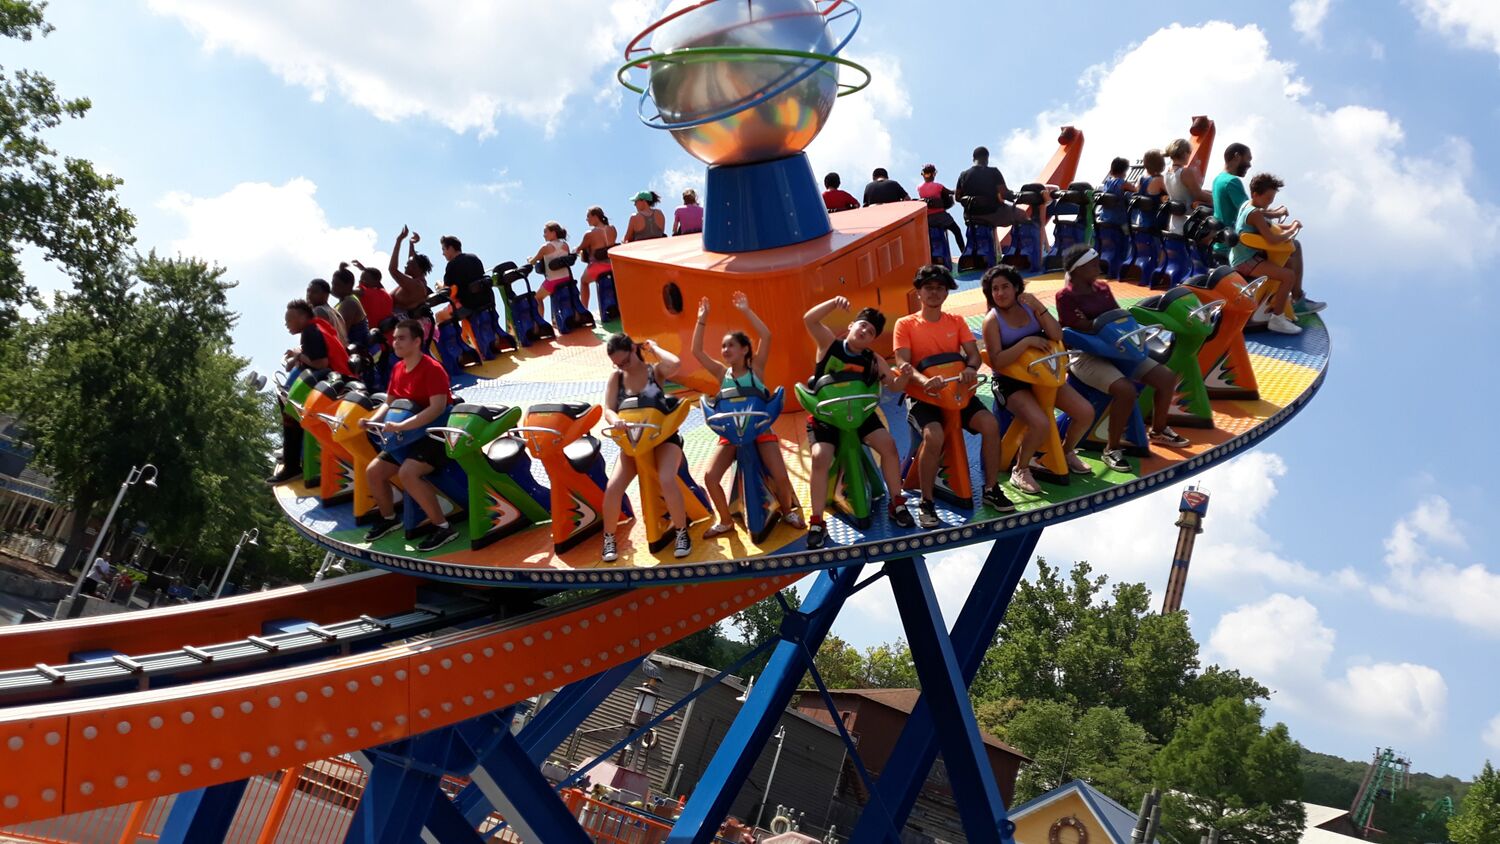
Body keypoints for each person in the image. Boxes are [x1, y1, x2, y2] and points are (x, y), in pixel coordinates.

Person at [1055, 244, 1189, 472]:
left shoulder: (1103, 288)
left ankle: (1158, 430)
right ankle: (1112, 449)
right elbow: (1078, 329)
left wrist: (1097, 324)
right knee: (1125, 390)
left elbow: (1118, 318)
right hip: (1085, 355)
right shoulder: (1065, 297)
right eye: (1093, 263)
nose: (1099, 266)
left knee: (1166, 378)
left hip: (1117, 348)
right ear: (1078, 269)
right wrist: (1098, 324)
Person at [893, 264, 1008, 523]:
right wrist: (924, 382)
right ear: (919, 293)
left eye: (939, 289)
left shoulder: (956, 322)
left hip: (957, 393)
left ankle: (991, 488)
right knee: (933, 436)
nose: (934, 293)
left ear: (946, 294)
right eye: (928, 288)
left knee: (990, 425)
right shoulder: (905, 324)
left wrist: (969, 368)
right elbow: (903, 363)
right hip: (924, 397)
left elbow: (974, 355)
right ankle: (926, 501)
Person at [801, 297, 915, 549]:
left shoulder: (873, 359)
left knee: (888, 445)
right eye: (862, 326)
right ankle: (817, 520)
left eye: (871, 332)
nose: (865, 331)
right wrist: (832, 303)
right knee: (820, 456)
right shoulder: (829, 345)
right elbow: (809, 319)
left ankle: (896, 501)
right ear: (852, 325)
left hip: (861, 414)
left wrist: (904, 375)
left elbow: (893, 386)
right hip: (827, 416)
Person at [691, 292, 806, 538]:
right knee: (710, 477)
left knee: (781, 475)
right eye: (723, 346)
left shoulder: (757, 369)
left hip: (760, 430)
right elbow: (697, 352)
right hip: (732, 434)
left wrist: (746, 310)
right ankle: (724, 520)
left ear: (744, 350)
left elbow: (766, 335)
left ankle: (787, 511)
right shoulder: (723, 375)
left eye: (731, 345)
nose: (725, 349)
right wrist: (702, 319)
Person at [980, 265, 1096, 491]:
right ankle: (1020, 469)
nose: (1000, 293)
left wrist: (1039, 306)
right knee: (1040, 422)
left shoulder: (1030, 308)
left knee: (1085, 412)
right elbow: (998, 361)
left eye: (1005, 287)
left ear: (1016, 288)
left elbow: (1056, 334)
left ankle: (1065, 452)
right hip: (1011, 381)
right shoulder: (992, 321)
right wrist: (1026, 343)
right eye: (995, 289)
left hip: (1044, 375)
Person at [359, 318, 460, 552]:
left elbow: (436, 408)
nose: (395, 342)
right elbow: (391, 401)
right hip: (408, 434)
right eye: (394, 338)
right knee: (373, 472)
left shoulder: (433, 369)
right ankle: (388, 518)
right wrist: (374, 420)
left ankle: (444, 527)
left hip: (435, 435)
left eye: (401, 338)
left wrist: (402, 426)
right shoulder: (397, 368)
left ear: (417, 341)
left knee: (408, 473)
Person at [599, 334, 692, 562]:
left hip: (662, 439)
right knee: (613, 488)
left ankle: (681, 532)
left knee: (666, 478)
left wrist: (655, 348)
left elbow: (676, 364)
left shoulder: (655, 372)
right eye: (618, 364)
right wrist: (614, 421)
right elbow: (608, 409)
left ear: (633, 349)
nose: (622, 367)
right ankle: (609, 538)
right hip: (632, 442)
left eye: (625, 361)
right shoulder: (616, 378)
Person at [1212, 145, 1324, 318]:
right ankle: (1296, 300)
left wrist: (1274, 215)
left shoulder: (1219, 179)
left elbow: (1252, 210)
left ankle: (1278, 298)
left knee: (1287, 259)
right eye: (1248, 159)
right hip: (1239, 246)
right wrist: (1280, 217)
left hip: (1227, 240)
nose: (1249, 165)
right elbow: (1254, 212)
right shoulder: (1232, 182)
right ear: (1236, 157)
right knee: (1294, 248)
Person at [268, 298, 352, 483]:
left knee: (291, 413)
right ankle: (299, 460)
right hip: (339, 379)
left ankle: (292, 466)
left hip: (333, 382)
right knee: (293, 411)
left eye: (289, 319)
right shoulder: (317, 326)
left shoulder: (310, 331)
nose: (286, 324)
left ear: (302, 317)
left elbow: (321, 363)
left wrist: (298, 355)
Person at [1228, 173, 1323, 333]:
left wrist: (1289, 225)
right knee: (1288, 276)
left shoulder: (1248, 206)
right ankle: (1277, 319)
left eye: (1272, 199)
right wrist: (1292, 229)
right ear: (1255, 194)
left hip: (1241, 255)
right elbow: (1272, 238)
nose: (1269, 203)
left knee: (1290, 264)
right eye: (1267, 199)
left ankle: (1280, 303)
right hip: (1245, 260)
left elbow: (1269, 225)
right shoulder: (1255, 213)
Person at [955, 145, 1030, 228]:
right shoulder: (994, 172)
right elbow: (1004, 194)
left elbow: (957, 197)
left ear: (973, 159)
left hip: (971, 216)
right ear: (987, 159)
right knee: (1022, 215)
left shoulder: (963, 175)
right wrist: (1016, 196)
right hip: (993, 213)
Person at [1163, 138, 1213, 234]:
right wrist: (1216, 198)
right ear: (1185, 153)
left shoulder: (1167, 173)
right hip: (1188, 224)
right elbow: (1198, 194)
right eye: (1190, 152)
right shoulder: (1185, 172)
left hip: (1174, 223)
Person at [385, 226, 434, 318]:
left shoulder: (417, 286)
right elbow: (412, 260)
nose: (405, 266)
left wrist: (399, 240)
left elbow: (393, 270)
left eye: (407, 265)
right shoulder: (414, 280)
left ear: (417, 268)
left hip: (397, 325)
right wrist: (411, 244)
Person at [575, 206, 617, 311]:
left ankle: (584, 310)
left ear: (595, 216)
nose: (587, 219)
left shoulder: (589, 234)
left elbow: (579, 248)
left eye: (588, 216)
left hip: (598, 266)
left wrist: (576, 250)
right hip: (613, 266)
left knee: (583, 281)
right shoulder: (612, 229)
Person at [440, 235, 494, 313]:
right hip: (486, 299)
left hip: (468, 305)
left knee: (439, 316)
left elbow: (447, 290)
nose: (443, 253)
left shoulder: (451, 265)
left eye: (444, 249)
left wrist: (440, 287)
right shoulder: (474, 257)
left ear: (451, 248)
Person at [917, 163, 964, 251]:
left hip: (928, 219)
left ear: (923, 174)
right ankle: (963, 251)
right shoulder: (938, 186)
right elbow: (950, 192)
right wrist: (958, 191)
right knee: (957, 230)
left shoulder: (919, 188)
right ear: (934, 174)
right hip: (941, 216)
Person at [527, 221, 572, 300]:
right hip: (567, 278)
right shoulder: (565, 245)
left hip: (553, 281)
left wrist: (529, 259)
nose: (544, 235)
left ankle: (540, 313)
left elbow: (534, 261)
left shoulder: (546, 247)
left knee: (537, 298)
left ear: (553, 233)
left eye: (545, 232)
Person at [331, 263, 370, 348]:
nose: (333, 288)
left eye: (337, 285)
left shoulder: (349, 303)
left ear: (348, 286)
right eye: (332, 284)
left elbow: (340, 335)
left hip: (356, 354)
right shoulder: (343, 301)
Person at [306, 279, 348, 345]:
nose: (309, 295)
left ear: (326, 295)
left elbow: (316, 342)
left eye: (314, 292)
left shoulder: (318, 311)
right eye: (308, 291)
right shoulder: (336, 313)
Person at [1098, 156, 1136, 227]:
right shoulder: (1123, 183)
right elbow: (1137, 190)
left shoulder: (1107, 182)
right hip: (1119, 220)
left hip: (1105, 217)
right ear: (1124, 171)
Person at [357, 261, 395, 329]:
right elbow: (379, 284)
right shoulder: (385, 294)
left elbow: (350, 291)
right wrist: (364, 269)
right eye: (361, 279)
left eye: (365, 280)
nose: (361, 282)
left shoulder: (366, 292)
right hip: (385, 335)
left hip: (368, 335)